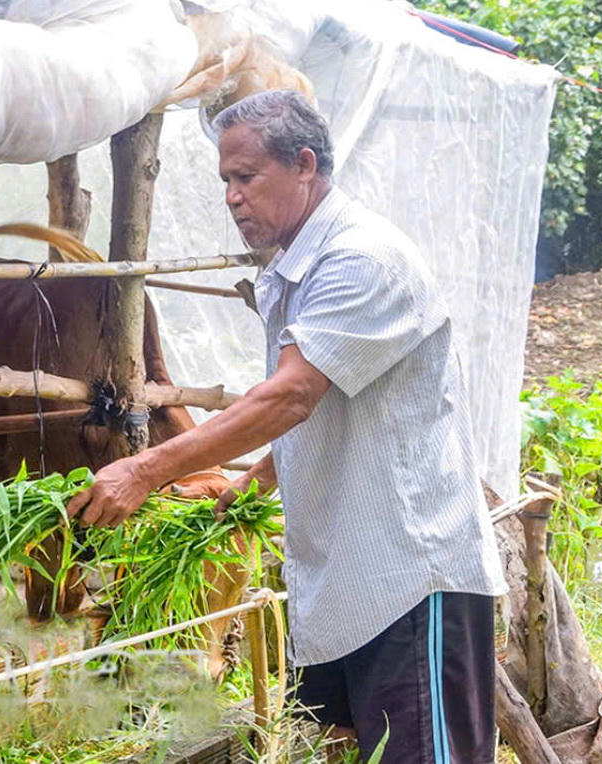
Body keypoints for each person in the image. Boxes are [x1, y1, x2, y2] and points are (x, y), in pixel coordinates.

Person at [65, 90, 506, 763]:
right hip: (344, 573)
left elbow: (294, 394)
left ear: (304, 164)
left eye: (247, 177)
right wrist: (264, 478)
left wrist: (146, 469)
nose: (232, 198)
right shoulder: (299, 265)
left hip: (408, 575)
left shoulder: (360, 260)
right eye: (225, 181)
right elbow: (335, 391)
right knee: (344, 746)